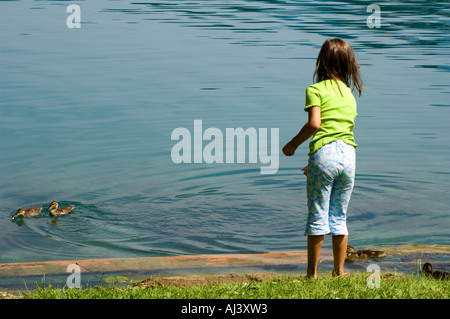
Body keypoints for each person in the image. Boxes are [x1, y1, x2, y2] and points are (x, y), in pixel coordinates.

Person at [282, 38, 363, 278]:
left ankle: (311, 274)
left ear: (322, 63)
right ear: (348, 65)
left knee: (317, 214)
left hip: (324, 155)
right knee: (339, 216)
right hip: (348, 157)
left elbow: (316, 125)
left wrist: (293, 144)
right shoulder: (349, 95)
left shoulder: (315, 90)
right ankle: (339, 272)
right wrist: (315, 163)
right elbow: (339, 132)